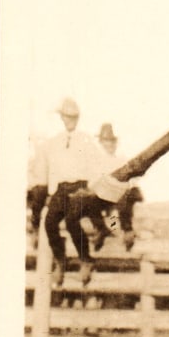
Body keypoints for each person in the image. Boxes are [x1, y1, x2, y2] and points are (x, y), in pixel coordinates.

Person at [32, 97, 107, 286]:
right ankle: (60, 260)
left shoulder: (86, 139)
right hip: (62, 188)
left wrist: (90, 189)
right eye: (66, 117)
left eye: (73, 117)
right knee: (50, 222)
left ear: (78, 118)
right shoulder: (55, 141)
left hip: (80, 187)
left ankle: (86, 259)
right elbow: (49, 168)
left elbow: (98, 166)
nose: (69, 120)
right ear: (62, 118)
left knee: (73, 219)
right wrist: (51, 191)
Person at [81, 123, 143, 252]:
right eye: (106, 141)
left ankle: (127, 232)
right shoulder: (97, 160)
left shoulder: (121, 159)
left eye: (111, 141)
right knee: (89, 201)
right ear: (101, 142)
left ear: (115, 142)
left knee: (125, 200)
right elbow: (92, 182)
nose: (109, 144)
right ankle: (101, 230)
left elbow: (132, 179)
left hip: (120, 196)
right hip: (103, 197)